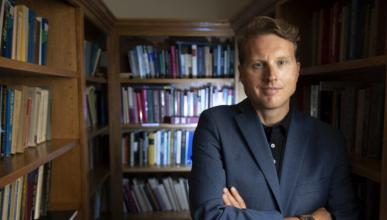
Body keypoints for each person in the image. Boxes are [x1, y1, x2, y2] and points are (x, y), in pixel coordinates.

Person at [189, 16, 358, 220]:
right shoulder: (215, 124)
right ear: (241, 73)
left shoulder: (329, 139)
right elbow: (209, 216)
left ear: (297, 70)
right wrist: (306, 219)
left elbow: (346, 217)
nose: (271, 76)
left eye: (281, 62)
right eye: (258, 64)